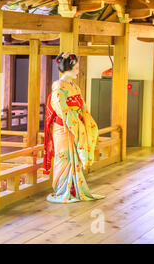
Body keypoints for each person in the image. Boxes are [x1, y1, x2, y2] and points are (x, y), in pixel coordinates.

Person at [43, 52, 105, 203]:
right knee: (64, 158)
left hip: (75, 123)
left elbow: (82, 106)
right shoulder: (59, 86)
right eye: (76, 68)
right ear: (68, 68)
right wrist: (74, 121)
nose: (78, 71)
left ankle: (75, 189)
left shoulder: (74, 86)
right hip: (64, 127)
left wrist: (84, 119)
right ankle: (62, 190)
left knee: (74, 158)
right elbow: (60, 108)